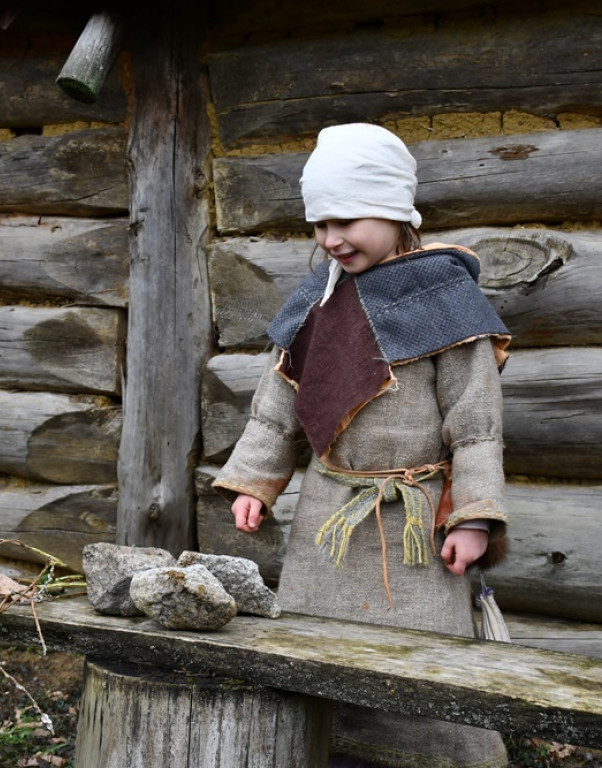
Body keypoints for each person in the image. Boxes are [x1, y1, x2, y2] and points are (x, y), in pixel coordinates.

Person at [212, 122, 512, 768]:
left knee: (426, 673)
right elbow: (280, 402)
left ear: (393, 209)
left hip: (414, 530)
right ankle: (323, 751)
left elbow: (476, 421)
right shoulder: (317, 299)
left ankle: (431, 757)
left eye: (346, 220)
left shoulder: (445, 297)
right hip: (329, 524)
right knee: (315, 660)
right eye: (319, 225)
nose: (330, 239)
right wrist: (256, 482)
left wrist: (474, 516)